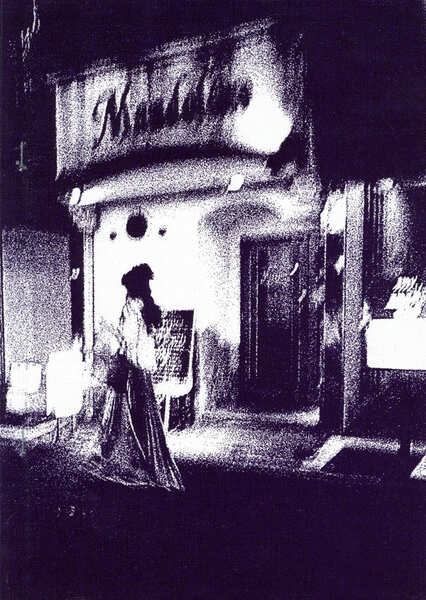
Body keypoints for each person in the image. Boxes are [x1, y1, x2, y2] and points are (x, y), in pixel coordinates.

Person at [86, 264, 184, 491]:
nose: (125, 292)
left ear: (131, 288)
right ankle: (151, 461)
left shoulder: (130, 306)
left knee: (128, 419)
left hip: (131, 369)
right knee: (146, 418)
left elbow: (127, 339)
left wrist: (109, 329)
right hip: (143, 371)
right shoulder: (148, 307)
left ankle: (133, 464)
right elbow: (146, 341)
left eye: (127, 287)